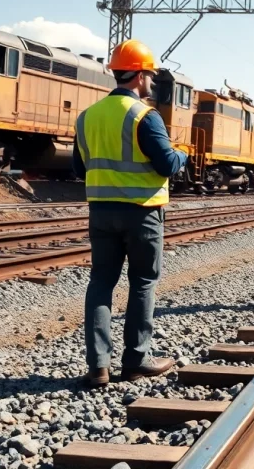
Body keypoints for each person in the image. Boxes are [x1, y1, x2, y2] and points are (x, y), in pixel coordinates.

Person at [73, 39, 187, 389]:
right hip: (142, 213)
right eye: (149, 74)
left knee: (101, 283)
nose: (151, 81)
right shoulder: (144, 116)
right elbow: (167, 164)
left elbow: (80, 169)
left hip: (101, 213)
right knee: (142, 283)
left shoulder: (87, 116)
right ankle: (136, 360)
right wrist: (182, 153)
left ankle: (98, 367)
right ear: (138, 76)